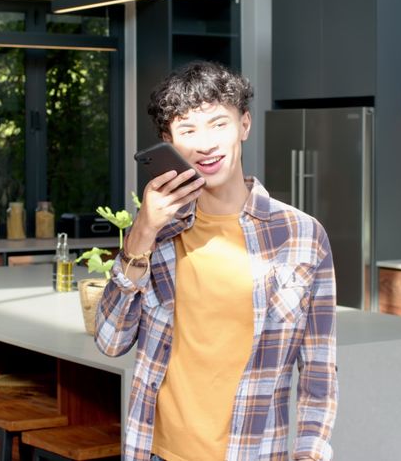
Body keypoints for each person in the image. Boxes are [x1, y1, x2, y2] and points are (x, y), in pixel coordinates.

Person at [94, 61, 337, 460]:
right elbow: (110, 341)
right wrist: (142, 231)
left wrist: (310, 453)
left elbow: (319, 370)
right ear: (169, 142)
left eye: (218, 124)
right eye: (188, 130)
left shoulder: (303, 236)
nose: (205, 144)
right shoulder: (160, 233)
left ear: (244, 125)